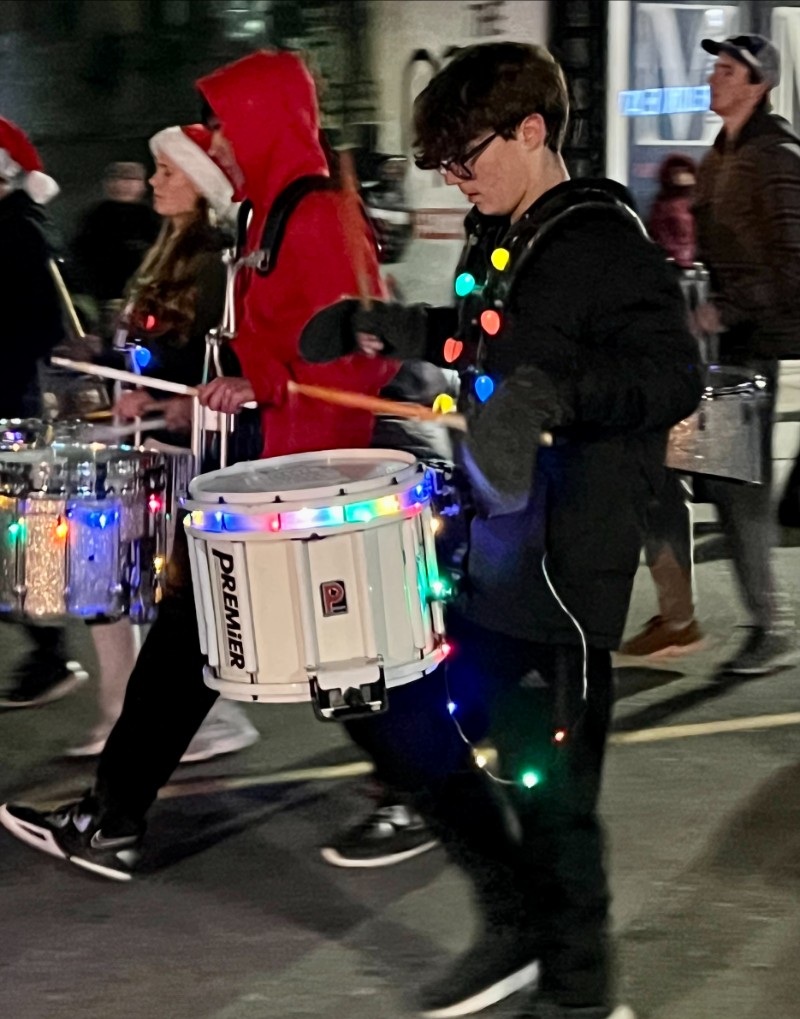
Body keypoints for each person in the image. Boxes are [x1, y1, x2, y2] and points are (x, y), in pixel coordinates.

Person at [300, 42, 702, 1019]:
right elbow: (473, 334)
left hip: (563, 569)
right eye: (441, 162)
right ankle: (516, 922)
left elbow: (671, 377)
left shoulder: (602, 242)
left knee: (553, 799)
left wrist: (553, 394)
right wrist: (378, 324)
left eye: (463, 154)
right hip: (489, 545)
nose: (453, 176)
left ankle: (577, 993)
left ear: (530, 131)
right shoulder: (498, 232)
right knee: (400, 713)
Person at [0, 50, 404, 880]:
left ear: (261, 120)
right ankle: (113, 817)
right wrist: (208, 396)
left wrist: (257, 384)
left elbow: (363, 352)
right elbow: (277, 348)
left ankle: (427, 784)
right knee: (201, 634)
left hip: (315, 472)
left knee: (349, 662)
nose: (214, 139)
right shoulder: (269, 217)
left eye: (224, 121)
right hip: (272, 462)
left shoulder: (317, 213)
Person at [65, 123, 259, 763]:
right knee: (103, 580)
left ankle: (212, 716)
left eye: (167, 172)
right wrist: (123, 381)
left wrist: (164, 400)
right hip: (146, 439)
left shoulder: (210, 263)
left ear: (200, 187)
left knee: (155, 594)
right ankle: (120, 710)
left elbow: (214, 366)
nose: (152, 181)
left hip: (183, 453)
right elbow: (153, 357)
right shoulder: (166, 248)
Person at [693, 33, 800, 675]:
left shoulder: (776, 157)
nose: (714, 78)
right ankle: (763, 620)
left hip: (755, 341)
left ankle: (772, 625)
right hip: (726, 342)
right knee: (724, 480)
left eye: (727, 70)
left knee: (741, 485)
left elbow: (794, 265)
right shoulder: (720, 156)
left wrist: (726, 308)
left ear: (756, 86)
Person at [0, 116, 86, 709]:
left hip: (14, 397)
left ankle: (51, 653)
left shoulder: (17, 231)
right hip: (13, 393)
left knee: (28, 526)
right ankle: (47, 650)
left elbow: (40, 325)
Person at [71, 161, 160, 334]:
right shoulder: (95, 218)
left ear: (142, 185)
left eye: (131, 179)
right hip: (101, 300)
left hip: (143, 300)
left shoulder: (152, 219)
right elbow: (81, 256)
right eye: (119, 179)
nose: (125, 185)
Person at [647, 154, 697, 268]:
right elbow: (660, 237)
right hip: (672, 264)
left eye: (685, 171)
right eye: (676, 171)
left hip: (694, 262)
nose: (681, 176)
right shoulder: (661, 208)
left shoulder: (697, 204)